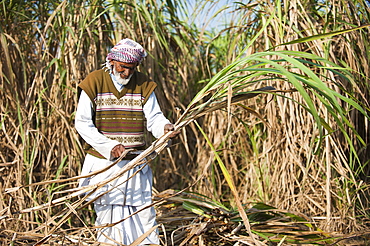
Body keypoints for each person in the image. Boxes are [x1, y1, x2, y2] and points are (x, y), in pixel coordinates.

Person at [75, 38, 176, 245]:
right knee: (108, 215)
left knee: (142, 213)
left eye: (131, 68)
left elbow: (155, 118)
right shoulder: (94, 81)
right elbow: (82, 123)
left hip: (134, 164)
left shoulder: (144, 84)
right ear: (111, 61)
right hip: (104, 166)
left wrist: (165, 129)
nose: (126, 73)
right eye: (122, 67)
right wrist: (110, 146)